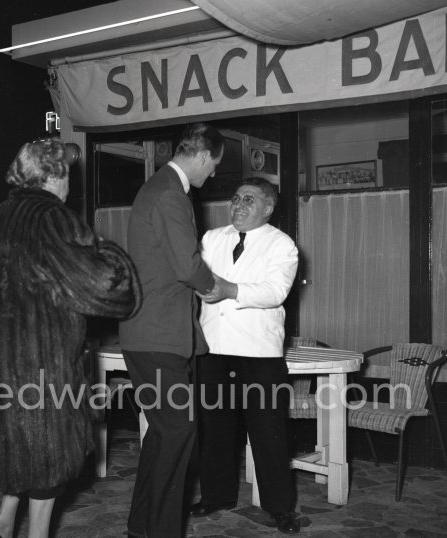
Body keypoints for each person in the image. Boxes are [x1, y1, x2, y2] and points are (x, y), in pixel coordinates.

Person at [0, 138, 141, 538]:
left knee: (19, 445)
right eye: (68, 174)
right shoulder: (54, 219)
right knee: (48, 453)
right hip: (43, 357)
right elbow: (105, 288)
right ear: (55, 175)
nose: (70, 185)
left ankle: (4, 523)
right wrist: (108, 252)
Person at [119, 123, 225, 538]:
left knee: (165, 435)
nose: (213, 174)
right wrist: (215, 287)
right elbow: (187, 265)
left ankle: (142, 528)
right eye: (214, 165)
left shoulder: (158, 188)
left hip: (151, 335)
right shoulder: (170, 193)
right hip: (157, 336)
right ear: (201, 156)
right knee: (178, 431)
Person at [190, 177, 301, 535]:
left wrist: (228, 289)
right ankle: (216, 496)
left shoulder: (282, 245)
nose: (238, 205)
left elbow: (276, 291)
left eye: (248, 200)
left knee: (268, 433)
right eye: (235, 198)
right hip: (213, 348)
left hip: (258, 352)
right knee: (215, 430)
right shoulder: (211, 239)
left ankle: (279, 507)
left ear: (268, 208)